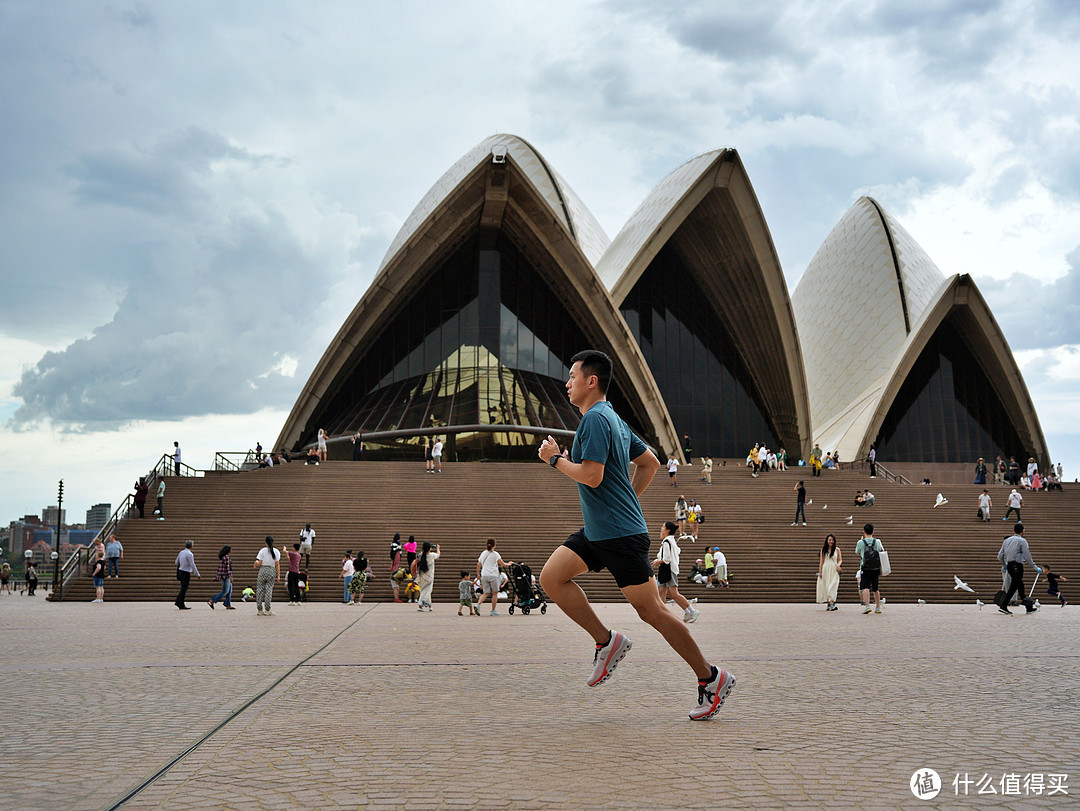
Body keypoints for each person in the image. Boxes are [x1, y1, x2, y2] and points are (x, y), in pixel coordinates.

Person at [537, 349, 732, 720]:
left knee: (653, 611)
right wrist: (626, 497)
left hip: (618, 535)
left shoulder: (595, 420)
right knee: (552, 577)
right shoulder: (613, 418)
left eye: (572, 376)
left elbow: (592, 475)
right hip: (602, 530)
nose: (567, 383)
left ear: (591, 381)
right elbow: (651, 463)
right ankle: (606, 641)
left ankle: (711, 678)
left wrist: (554, 459)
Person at [653, 521, 700, 623]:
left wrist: (657, 562)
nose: (661, 529)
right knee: (661, 593)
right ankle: (663, 616)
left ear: (668, 530)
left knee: (673, 593)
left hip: (668, 570)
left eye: (663, 527)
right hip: (665, 570)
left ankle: (692, 611)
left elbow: (667, 559)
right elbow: (677, 551)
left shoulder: (667, 542)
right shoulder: (669, 541)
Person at [997, 523, 1040, 615]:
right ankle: (1004, 605)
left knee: (1020, 584)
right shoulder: (1022, 541)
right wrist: (1035, 567)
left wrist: (1004, 565)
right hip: (1018, 566)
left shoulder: (1007, 540)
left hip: (1009, 565)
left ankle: (1028, 607)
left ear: (1013, 531)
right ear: (1023, 531)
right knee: (1014, 585)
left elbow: (1000, 555)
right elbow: (1027, 556)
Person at [476, 538, 512, 615]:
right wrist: (509, 563)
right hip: (493, 575)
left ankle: (477, 605)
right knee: (495, 593)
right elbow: (503, 564)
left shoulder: (483, 553)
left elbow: (478, 564)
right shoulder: (495, 554)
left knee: (486, 593)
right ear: (494, 545)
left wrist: (478, 574)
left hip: (484, 575)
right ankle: (493, 610)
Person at [855, 524, 883, 614]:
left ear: (864, 532)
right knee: (875, 588)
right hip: (875, 567)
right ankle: (878, 607)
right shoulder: (877, 541)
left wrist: (861, 540)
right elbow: (881, 550)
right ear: (873, 532)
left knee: (866, 587)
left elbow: (856, 552)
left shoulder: (861, 542)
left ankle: (867, 606)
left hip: (865, 566)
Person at [254, 536, 280, 616]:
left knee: (260, 589)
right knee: (269, 589)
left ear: (265, 542)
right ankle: (267, 609)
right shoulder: (276, 551)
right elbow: (277, 565)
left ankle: (259, 609)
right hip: (272, 570)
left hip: (263, 570)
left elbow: (260, 563)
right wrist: (278, 575)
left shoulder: (262, 551)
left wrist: (256, 563)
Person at [816, 534, 842, 611]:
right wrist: (820, 572)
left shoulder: (837, 550)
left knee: (833, 585)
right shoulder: (823, 550)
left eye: (832, 540)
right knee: (827, 585)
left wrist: (838, 565)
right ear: (827, 541)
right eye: (830, 540)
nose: (831, 541)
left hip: (834, 569)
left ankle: (832, 602)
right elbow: (821, 561)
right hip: (826, 568)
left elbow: (840, 559)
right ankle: (830, 603)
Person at [412, 541, 440, 611]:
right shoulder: (431, 555)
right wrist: (438, 548)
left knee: (424, 590)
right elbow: (438, 555)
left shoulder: (420, 555)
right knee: (428, 590)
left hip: (421, 576)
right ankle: (420, 603)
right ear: (430, 549)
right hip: (429, 577)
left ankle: (429, 605)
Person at [174, 540, 200, 609]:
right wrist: (197, 574)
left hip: (180, 571)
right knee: (184, 588)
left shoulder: (181, 552)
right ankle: (181, 604)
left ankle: (178, 601)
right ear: (191, 546)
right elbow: (192, 564)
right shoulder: (190, 554)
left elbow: (176, 562)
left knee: (183, 587)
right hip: (185, 572)